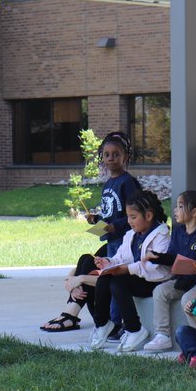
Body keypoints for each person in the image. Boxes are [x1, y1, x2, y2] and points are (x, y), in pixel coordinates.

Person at [40, 131, 141, 334]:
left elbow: (135, 212)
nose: (111, 158)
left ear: (126, 157)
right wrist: (97, 220)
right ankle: (91, 316)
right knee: (90, 263)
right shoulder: (108, 184)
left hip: (123, 242)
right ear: (101, 157)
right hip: (111, 239)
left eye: (116, 154)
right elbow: (111, 212)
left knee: (110, 277)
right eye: (106, 154)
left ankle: (114, 322)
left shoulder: (127, 182)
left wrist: (117, 226)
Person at [81, 190, 172, 352]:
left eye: (133, 217)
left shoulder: (162, 236)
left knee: (118, 282)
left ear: (149, 216)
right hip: (136, 277)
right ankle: (102, 323)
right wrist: (108, 262)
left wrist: (126, 269)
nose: (129, 221)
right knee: (104, 278)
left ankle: (135, 329)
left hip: (154, 282)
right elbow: (120, 258)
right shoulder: (131, 235)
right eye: (128, 216)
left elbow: (156, 269)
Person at [142, 190, 196, 353]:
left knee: (188, 299)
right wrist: (156, 257)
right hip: (183, 282)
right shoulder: (178, 231)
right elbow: (173, 257)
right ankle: (162, 335)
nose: (175, 210)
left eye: (180, 206)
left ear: (194, 212)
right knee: (160, 291)